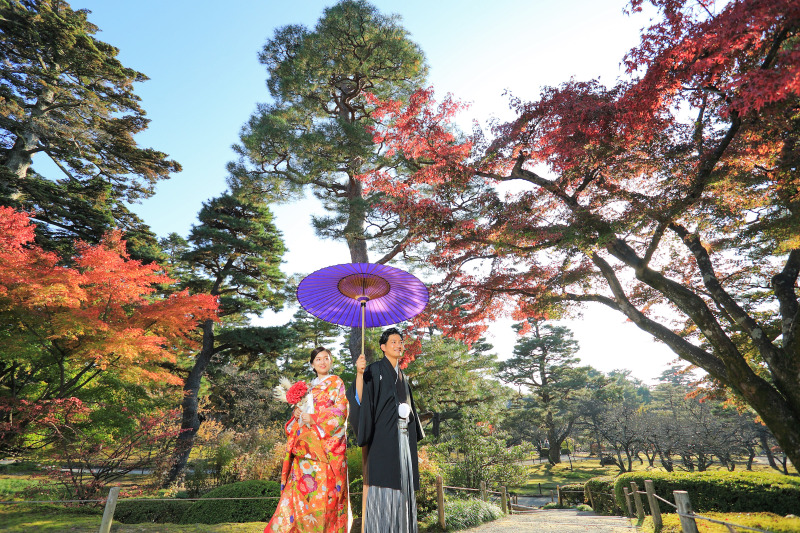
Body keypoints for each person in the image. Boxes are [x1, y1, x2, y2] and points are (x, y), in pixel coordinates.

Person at [347, 327, 424, 533]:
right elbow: (359, 399)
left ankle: (403, 528)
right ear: (383, 347)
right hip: (383, 438)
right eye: (393, 342)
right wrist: (359, 374)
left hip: (404, 436)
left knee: (404, 481)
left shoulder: (402, 375)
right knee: (384, 482)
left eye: (400, 341)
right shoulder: (373, 370)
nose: (399, 345)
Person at [265, 347, 350, 533]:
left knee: (324, 497)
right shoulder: (307, 387)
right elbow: (298, 419)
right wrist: (297, 414)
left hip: (325, 450)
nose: (322, 362)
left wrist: (314, 418)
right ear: (312, 364)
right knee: (301, 496)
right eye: (318, 359)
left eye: (326, 358)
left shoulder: (336, 383)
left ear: (331, 361)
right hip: (304, 450)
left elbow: (341, 411)